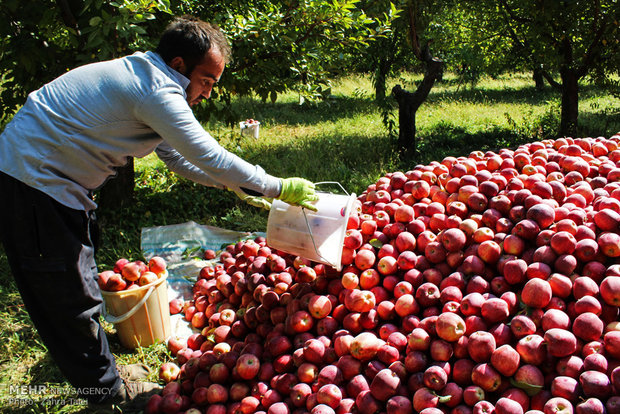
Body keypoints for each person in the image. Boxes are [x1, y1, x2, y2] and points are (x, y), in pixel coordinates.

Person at [0, 15, 318, 410]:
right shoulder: (156, 90)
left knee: (78, 278)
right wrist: (276, 184)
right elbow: (208, 154)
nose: (206, 94)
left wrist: (234, 185)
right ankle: (107, 394)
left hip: (55, 181)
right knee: (66, 292)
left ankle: (96, 363)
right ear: (180, 66)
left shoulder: (149, 79)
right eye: (206, 81)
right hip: (34, 182)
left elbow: (180, 160)